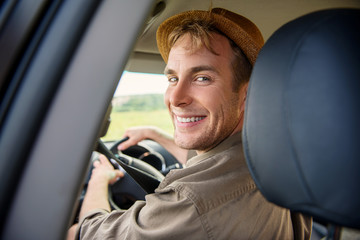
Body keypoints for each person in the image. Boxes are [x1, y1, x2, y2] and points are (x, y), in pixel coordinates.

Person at [68, 8, 312, 239]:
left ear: (248, 94)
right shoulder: (272, 157)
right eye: (173, 77)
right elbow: (214, 161)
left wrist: (100, 180)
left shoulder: (192, 202)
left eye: (202, 78)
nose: (175, 98)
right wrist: (156, 135)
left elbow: (85, 234)